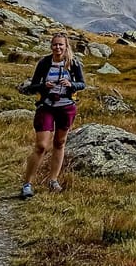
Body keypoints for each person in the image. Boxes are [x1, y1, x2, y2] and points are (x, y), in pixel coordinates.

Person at [18, 32, 86, 198]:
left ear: (66, 46)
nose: (57, 47)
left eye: (61, 45)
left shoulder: (73, 63)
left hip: (66, 107)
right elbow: (33, 85)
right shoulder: (44, 62)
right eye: (55, 44)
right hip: (47, 106)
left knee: (60, 142)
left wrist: (71, 84)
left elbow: (82, 84)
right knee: (41, 146)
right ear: (51, 46)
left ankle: (53, 180)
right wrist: (44, 86)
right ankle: (27, 183)